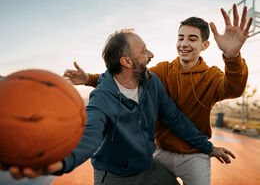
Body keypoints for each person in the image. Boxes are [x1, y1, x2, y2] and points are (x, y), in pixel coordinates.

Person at [0, 29, 234, 185]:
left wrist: (208, 147)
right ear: (127, 62)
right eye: (144, 51)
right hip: (113, 176)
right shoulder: (103, 98)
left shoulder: (152, 83)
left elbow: (175, 119)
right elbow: (89, 138)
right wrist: (62, 162)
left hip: (147, 167)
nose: (151, 54)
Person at [63, 4, 252, 184]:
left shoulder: (206, 76)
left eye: (192, 39)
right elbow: (122, 79)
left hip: (190, 153)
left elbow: (233, 89)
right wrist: (89, 78)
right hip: (157, 153)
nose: (184, 43)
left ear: (205, 45)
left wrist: (233, 57)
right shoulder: (159, 73)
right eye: (180, 37)